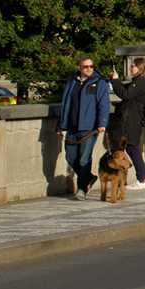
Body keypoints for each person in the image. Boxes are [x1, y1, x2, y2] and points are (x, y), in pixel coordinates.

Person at [56, 56, 111, 199]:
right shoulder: (72, 82)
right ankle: (89, 178)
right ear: (79, 68)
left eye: (91, 66)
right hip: (72, 126)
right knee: (70, 157)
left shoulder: (99, 83)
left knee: (84, 159)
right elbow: (66, 104)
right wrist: (61, 125)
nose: (88, 69)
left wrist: (102, 123)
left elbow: (104, 104)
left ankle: (81, 189)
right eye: (85, 66)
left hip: (90, 127)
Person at [110, 57, 145, 188]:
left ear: (140, 68)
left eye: (133, 66)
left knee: (133, 149)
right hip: (132, 120)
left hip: (131, 121)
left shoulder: (140, 82)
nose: (130, 68)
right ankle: (144, 177)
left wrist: (116, 80)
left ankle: (141, 178)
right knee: (133, 149)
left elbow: (125, 94)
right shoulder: (140, 82)